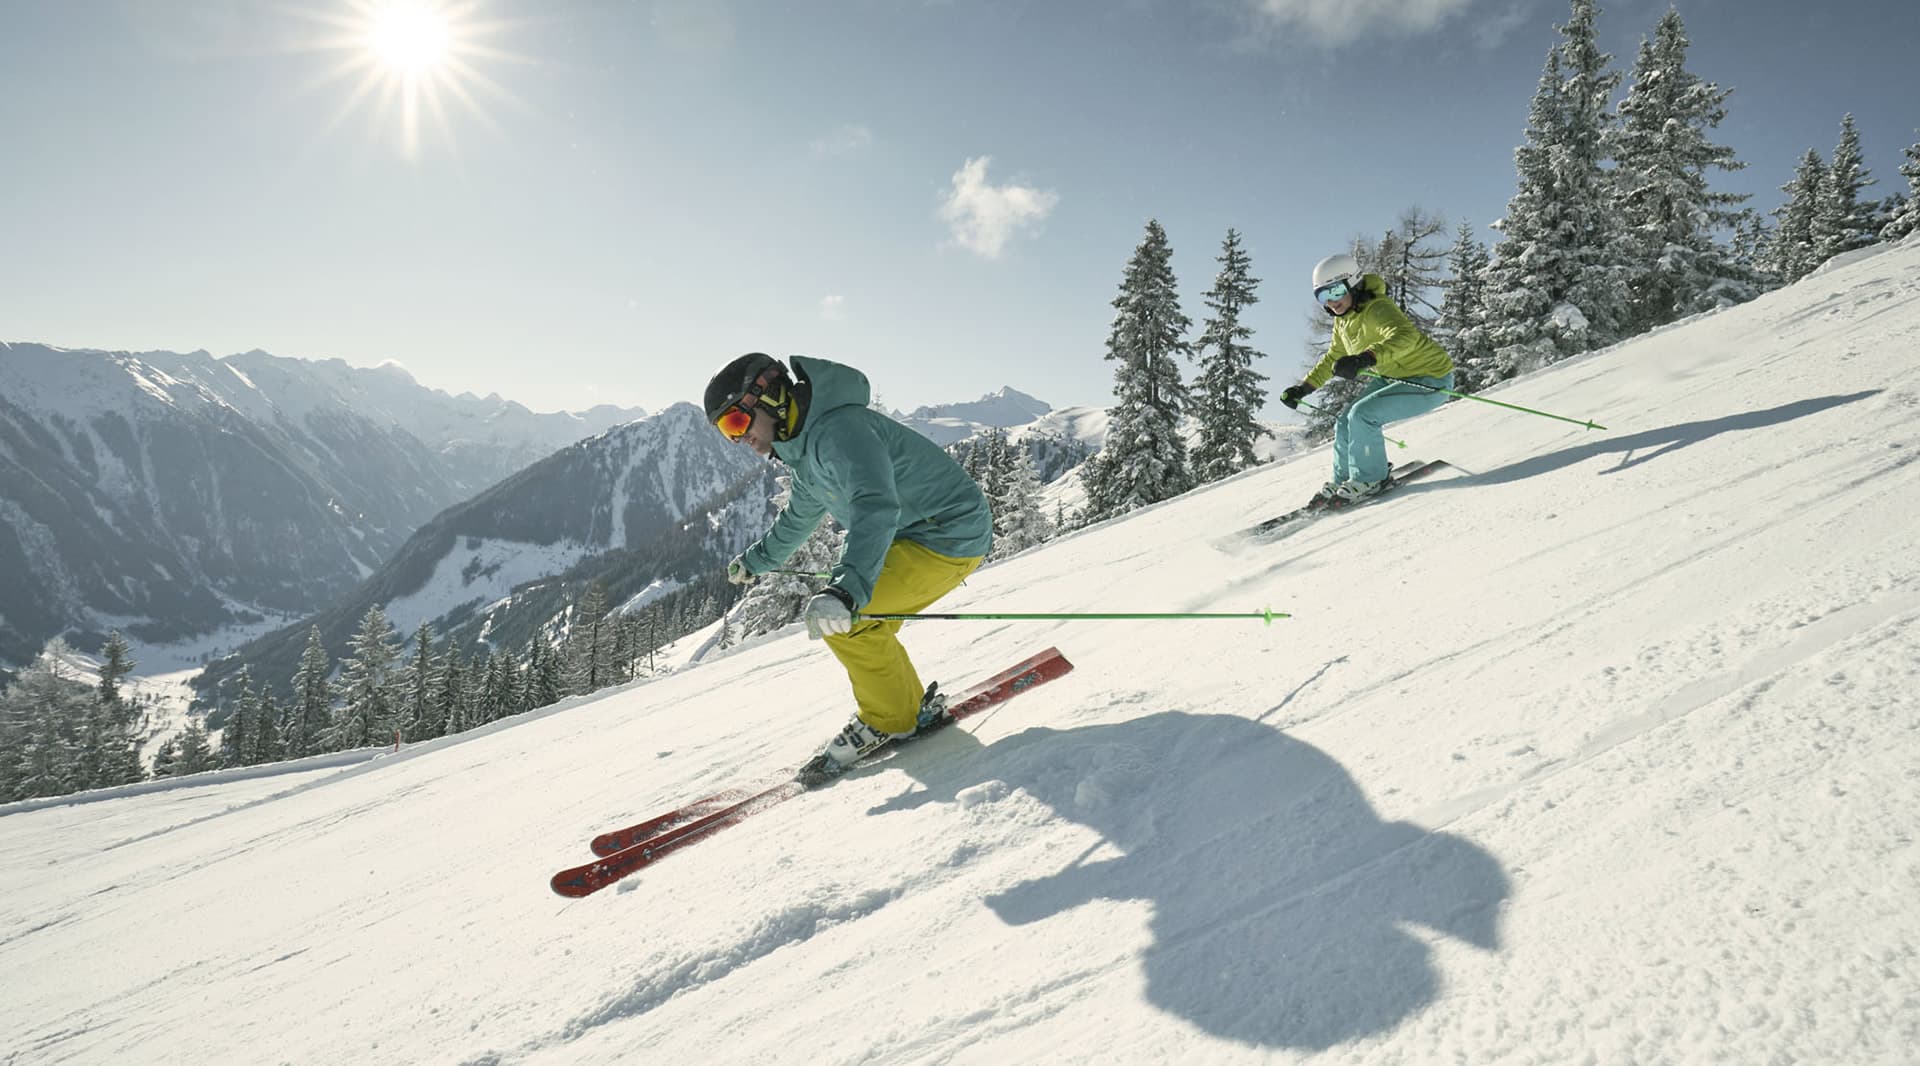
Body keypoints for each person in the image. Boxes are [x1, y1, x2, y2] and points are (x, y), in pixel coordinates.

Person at [704, 352, 993, 779]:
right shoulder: (805, 448)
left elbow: (874, 505)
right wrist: (756, 561)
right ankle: (906, 709)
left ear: (769, 399)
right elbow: (799, 517)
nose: (738, 439)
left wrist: (845, 590)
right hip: (917, 535)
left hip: (948, 536)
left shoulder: (841, 431)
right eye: (727, 432)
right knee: (861, 620)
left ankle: (892, 719)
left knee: (850, 620)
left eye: (736, 423)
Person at [1279, 253, 1456, 502]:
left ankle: (1370, 479)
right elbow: (1332, 358)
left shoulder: (1377, 308)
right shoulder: (1344, 321)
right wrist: (1304, 388)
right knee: (1344, 421)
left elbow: (1406, 336)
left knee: (1362, 415)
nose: (1331, 301)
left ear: (1353, 283)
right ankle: (1344, 480)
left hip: (1429, 378)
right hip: (1392, 377)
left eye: (1336, 291)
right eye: (1323, 295)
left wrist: (1366, 358)